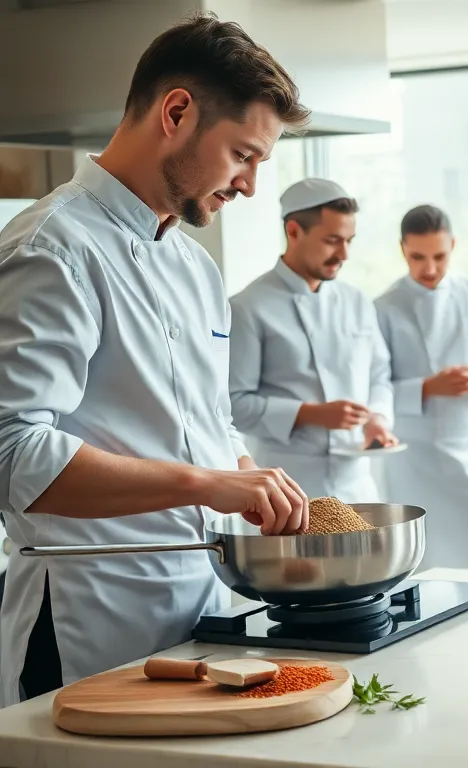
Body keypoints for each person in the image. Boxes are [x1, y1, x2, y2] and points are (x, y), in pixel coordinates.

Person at [0, 14, 311, 708]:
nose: (252, 186)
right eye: (244, 155)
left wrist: (244, 476)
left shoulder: (196, 268)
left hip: (199, 616)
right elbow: (12, 455)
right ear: (176, 112)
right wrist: (206, 484)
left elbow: (201, 426)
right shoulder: (53, 247)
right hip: (88, 623)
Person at [228, 179, 397, 503]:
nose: (344, 253)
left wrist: (376, 419)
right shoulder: (248, 307)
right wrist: (311, 414)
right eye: (332, 240)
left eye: (349, 240)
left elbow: (379, 375)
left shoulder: (357, 301)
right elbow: (233, 406)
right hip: (287, 486)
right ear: (293, 232)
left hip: (358, 484)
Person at [374, 205, 468, 571]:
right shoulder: (384, 307)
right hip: (412, 459)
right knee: (417, 563)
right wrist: (427, 387)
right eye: (418, 257)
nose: (430, 269)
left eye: (440, 256)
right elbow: (374, 387)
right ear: (402, 248)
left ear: (453, 245)